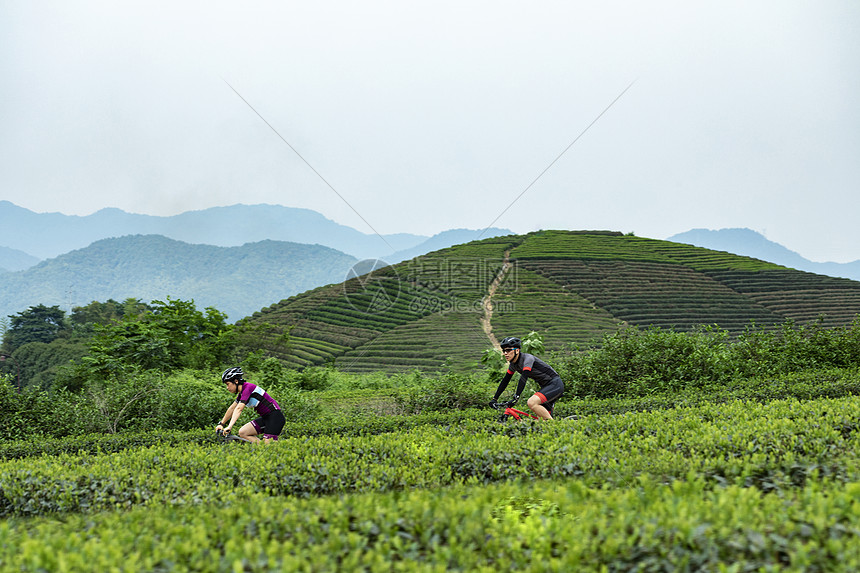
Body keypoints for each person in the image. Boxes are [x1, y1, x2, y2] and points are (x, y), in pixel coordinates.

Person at [489, 336, 564, 420]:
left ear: (517, 350)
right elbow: (505, 381)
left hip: (555, 384)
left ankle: (554, 425)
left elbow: (523, 378)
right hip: (545, 387)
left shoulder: (527, 359)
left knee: (532, 402)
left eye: (508, 350)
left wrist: (516, 397)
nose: (505, 353)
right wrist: (494, 399)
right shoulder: (513, 365)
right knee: (541, 421)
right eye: (504, 351)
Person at [216, 367, 285, 443]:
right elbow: (232, 408)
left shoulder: (248, 388)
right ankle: (260, 448)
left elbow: (239, 409)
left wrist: (230, 426)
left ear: (236, 381)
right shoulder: (241, 393)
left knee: (269, 450)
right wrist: (221, 424)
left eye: (228, 384)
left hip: (275, 418)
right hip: (266, 418)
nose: (227, 387)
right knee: (243, 432)